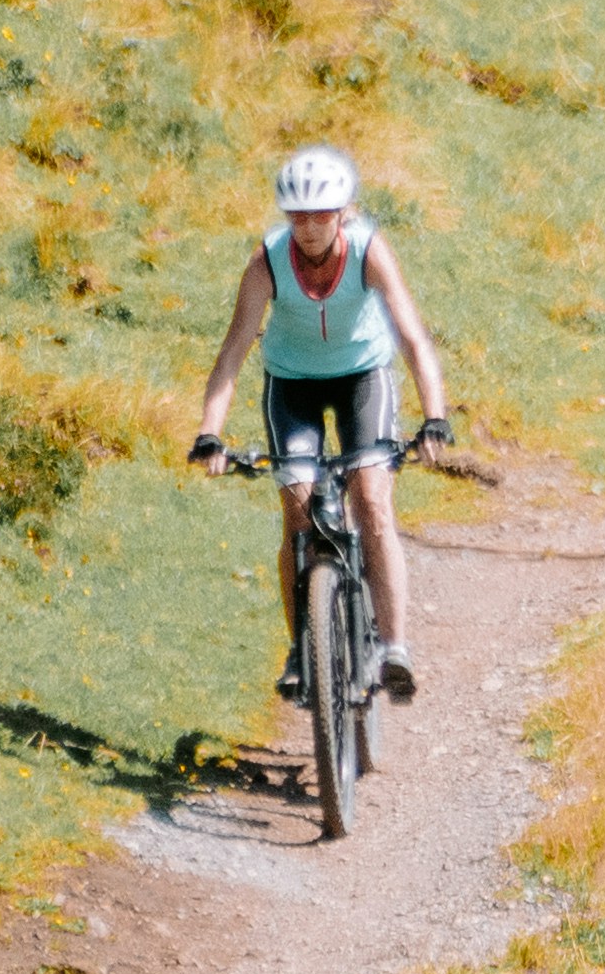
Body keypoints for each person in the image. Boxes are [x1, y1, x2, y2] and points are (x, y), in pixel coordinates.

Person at [187, 145, 450, 706]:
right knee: (298, 507)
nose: (307, 228)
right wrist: (209, 431)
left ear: (344, 212)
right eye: (297, 216)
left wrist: (434, 418)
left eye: (321, 214)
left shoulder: (370, 251)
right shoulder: (267, 262)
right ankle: (301, 646)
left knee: (373, 500)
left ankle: (395, 647)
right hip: (293, 384)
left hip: (363, 377)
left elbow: (410, 336)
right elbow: (234, 348)